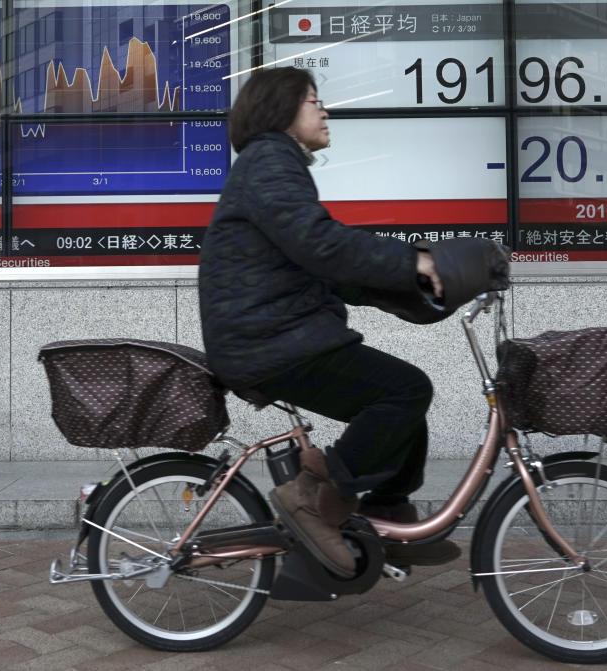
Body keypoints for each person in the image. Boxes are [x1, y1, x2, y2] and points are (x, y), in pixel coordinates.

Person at [198, 67, 460, 578]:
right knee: (404, 392)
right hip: (268, 342)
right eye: (313, 100)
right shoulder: (270, 159)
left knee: (401, 405)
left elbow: (318, 264)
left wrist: (408, 288)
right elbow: (322, 243)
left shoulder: (270, 165)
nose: (324, 110)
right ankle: (311, 497)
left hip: (273, 334)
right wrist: (412, 262)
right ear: (281, 110)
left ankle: (385, 518)